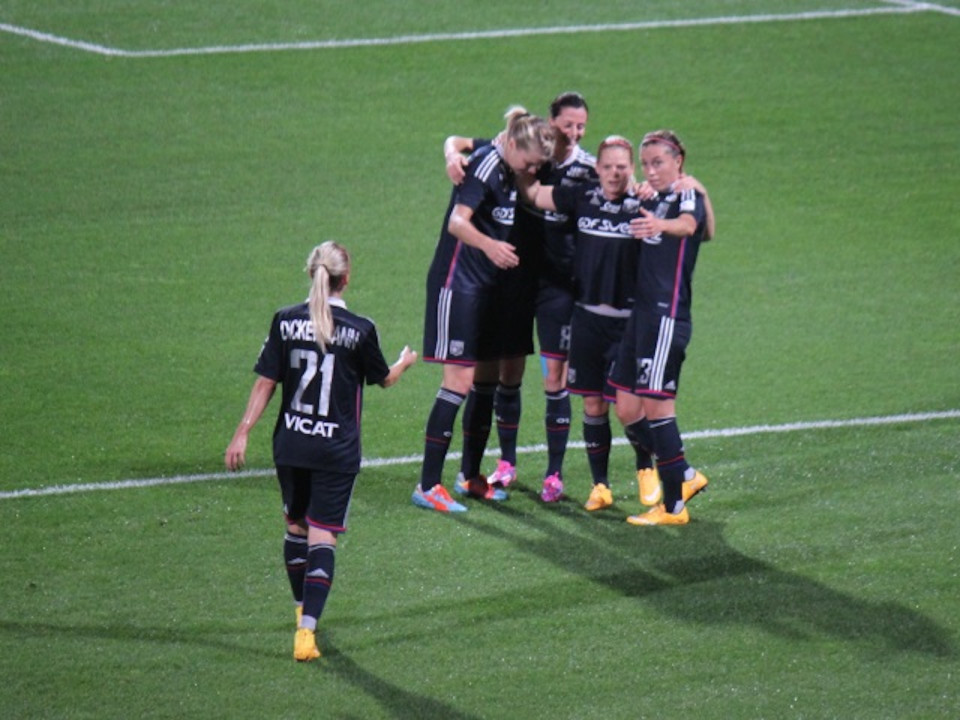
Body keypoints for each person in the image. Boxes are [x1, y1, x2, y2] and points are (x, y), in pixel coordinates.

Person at [224, 242, 417, 661]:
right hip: (335, 449)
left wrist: (242, 432)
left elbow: (265, 383)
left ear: (311, 273)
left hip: (291, 444)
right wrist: (406, 361)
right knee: (322, 535)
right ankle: (307, 634)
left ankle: (300, 611)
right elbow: (383, 380)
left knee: (295, 529)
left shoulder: (285, 320)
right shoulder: (360, 328)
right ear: (346, 278)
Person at [442, 92, 597, 503]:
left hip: (556, 285)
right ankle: (501, 464)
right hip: (512, 277)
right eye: (568, 124)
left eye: (581, 126)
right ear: (551, 123)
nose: (574, 132)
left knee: (552, 377)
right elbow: (460, 143)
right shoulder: (531, 150)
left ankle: (554, 474)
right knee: (502, 375)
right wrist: (450, 154)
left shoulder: (588, 170)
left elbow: (601, 197)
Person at [414, 108, 555, 512]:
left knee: (486, 382)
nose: (532, 170)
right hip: (457, 286)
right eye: (528, 163)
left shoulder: (507, 154)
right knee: (456, 383)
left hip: (487, 291)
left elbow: (457, 140)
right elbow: (459, 223)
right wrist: (490, 246)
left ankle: (470, 476)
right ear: (512, 146)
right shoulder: (485, 167)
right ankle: (427, 486)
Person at [520, 135, 647, 511]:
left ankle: (647, 469)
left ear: (631, 170)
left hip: (628, 323)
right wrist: (511, 156)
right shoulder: (582, 197)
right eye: (608, 167)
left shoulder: (643, 204)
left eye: (622, 168)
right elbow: (534, 194)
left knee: (629, 407)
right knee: (593, 405)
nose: (614, 173)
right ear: (597, 169)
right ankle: (601, 486)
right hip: (587, 319)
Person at [611, 130, 712, 525]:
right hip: (641, 316)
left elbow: (690, 226)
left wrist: (659, 225)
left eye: (659, 163)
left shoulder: (687, 193)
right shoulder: (655, 197)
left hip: (666, 315)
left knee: (657, 408)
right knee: (626, 406)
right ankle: (684, 473)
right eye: (647, 163)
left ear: (678, 161)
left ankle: (673, 507)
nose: (651, 171)